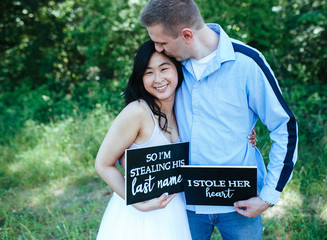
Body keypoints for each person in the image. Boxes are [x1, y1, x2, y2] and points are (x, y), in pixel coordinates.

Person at [140, 1, 298, 240]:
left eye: (162, 42)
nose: (158, 49)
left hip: (239, 204)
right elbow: (145, 117)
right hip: (183, 203)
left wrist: (268, 196)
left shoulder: (246, 62)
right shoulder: (170, 69)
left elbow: (284, 127)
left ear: (186, 35)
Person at [94, 40, 258, 240]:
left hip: (178, 209)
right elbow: (103, 164)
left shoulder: (185, 106)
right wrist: (137, 202)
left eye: (164, 69)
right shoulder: (137, 111)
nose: (158, 79)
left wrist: (244, 134)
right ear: (140, 78)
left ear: (178, 70)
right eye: (148, 72)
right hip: (142, 215)